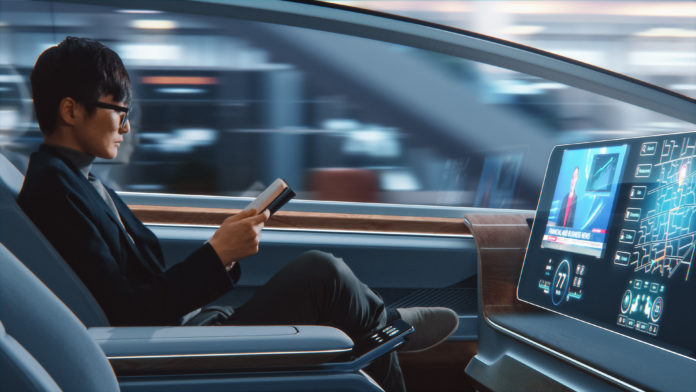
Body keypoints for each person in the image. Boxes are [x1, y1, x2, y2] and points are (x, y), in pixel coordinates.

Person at [18, 36, 458, 392]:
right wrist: (215, 254)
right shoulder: (55, 192)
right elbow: (126, 311)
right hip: (161, 349)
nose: (127, 126)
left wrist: (221, 253)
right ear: (71, 110)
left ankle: (382, 326)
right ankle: (388, 327)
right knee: (324, 275)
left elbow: (135, 284)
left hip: (182, 329)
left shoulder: (78, 181)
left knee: (332, 292)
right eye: (119, 110)